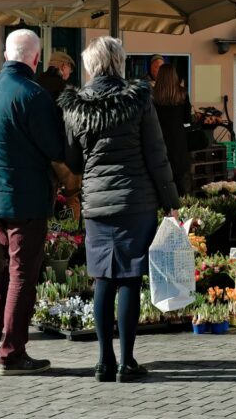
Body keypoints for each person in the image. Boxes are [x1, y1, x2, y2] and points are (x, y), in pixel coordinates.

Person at [59, 37, 180, 383]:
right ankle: (127, 361)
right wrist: (171, 202)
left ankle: (103, 361)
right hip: (136, 200)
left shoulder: (75, 105)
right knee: (129, 277)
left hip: (96, 203)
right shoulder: (139, 99)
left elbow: (70, 159)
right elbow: (157, 155)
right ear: (118, 62)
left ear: (91, 66)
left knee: (102, 278)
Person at [0, 29, 66, 376]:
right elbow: (55, 149)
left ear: (5, 54)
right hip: (26, 201)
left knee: (10, 269)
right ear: (36, 59)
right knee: (23, 274)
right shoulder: (34, 96)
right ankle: (12, 352)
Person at [153, 64, 193, 198]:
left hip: (159, 140)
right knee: (181, 179)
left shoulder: (153, 96)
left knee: (161, 180)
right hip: (178, 141)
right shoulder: (182, 94)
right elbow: (188, 119)